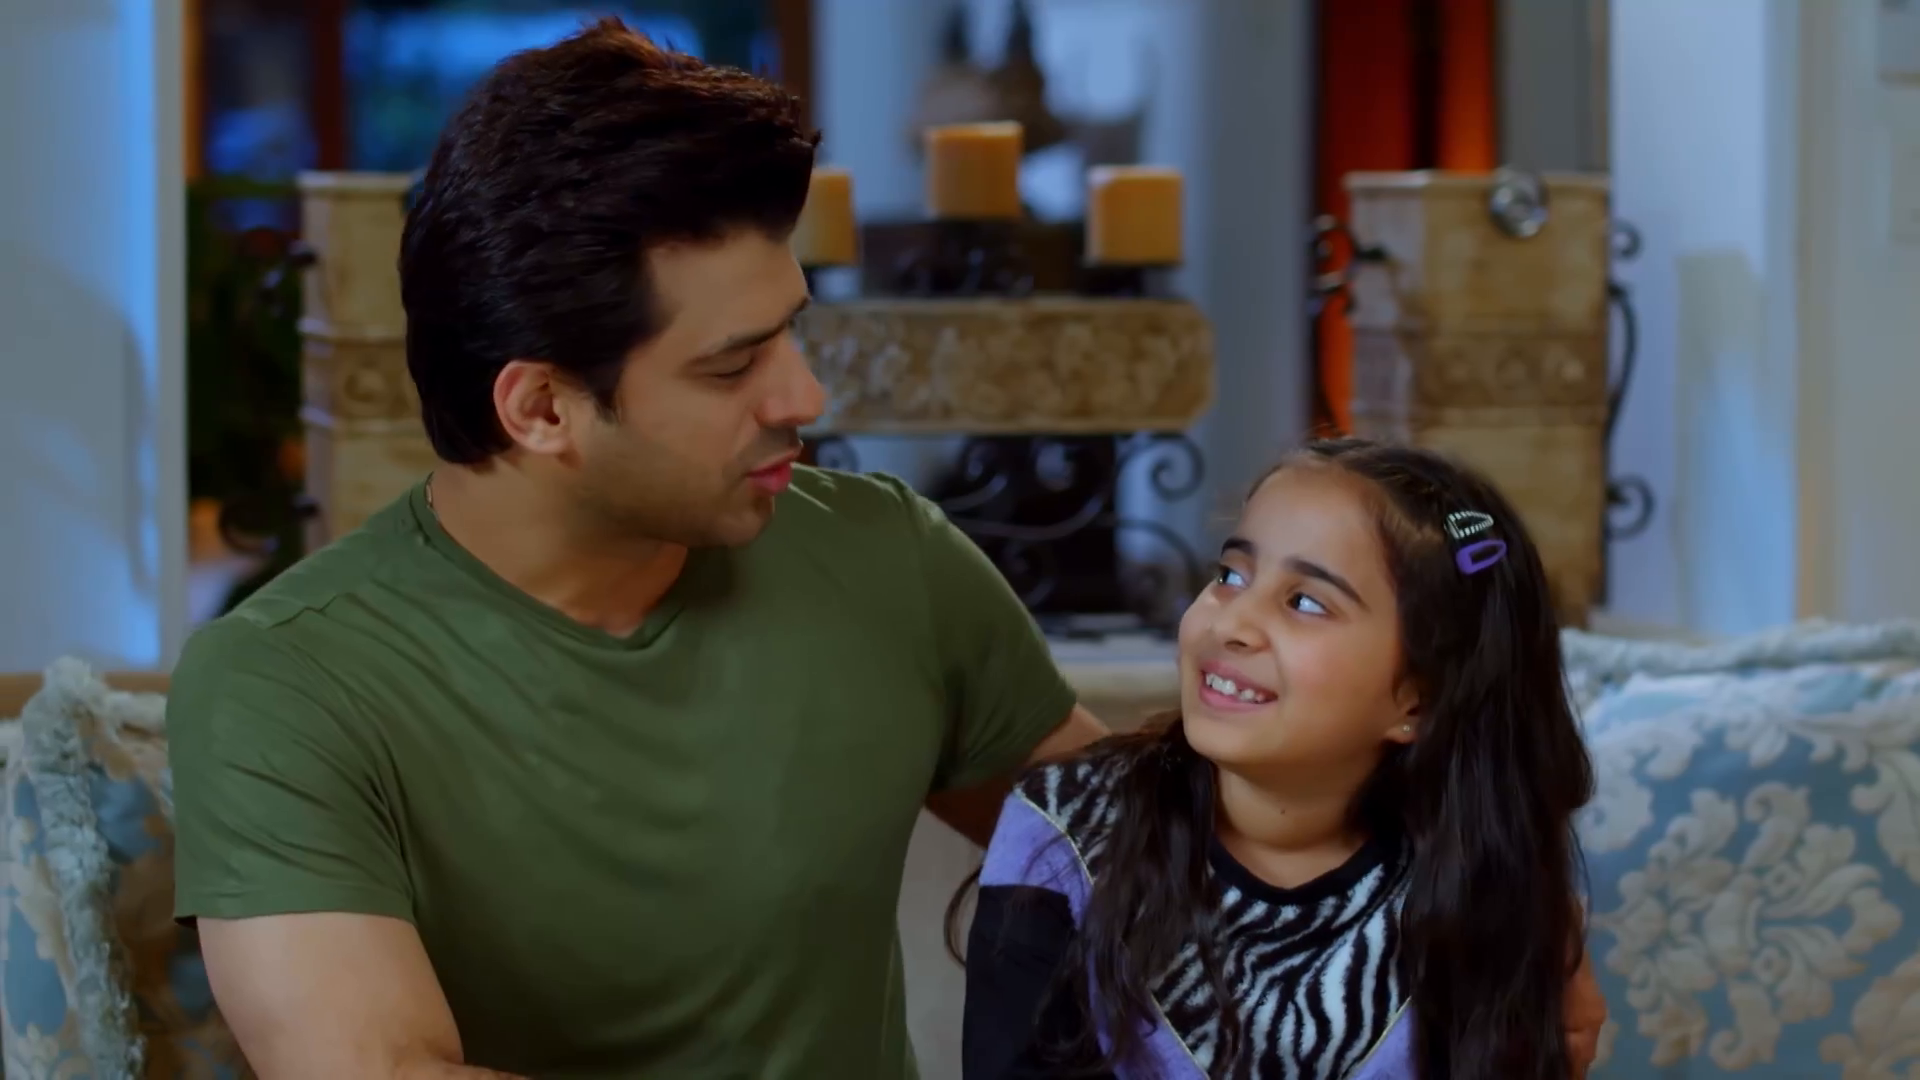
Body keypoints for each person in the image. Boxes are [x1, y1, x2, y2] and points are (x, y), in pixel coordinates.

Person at [168, 19, 1105, 1079]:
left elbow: (1145, 873)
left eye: (791, 332)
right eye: (731, 367)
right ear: (542, 409)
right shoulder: (285, 682)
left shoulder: (889, 557)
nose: (804, 396)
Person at [960, 438, 1609, 1079]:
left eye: (1305, 602)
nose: (1231, 623)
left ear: (1419, 700)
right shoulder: (1065, 832)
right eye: (1230, 576)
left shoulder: (1484, 885)